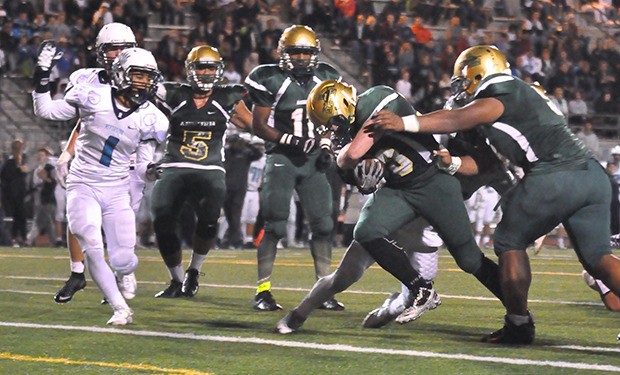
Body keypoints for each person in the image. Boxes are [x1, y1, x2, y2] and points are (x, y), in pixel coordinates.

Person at [366, 45, 620, 345]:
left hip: (555, 173)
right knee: (597, 258)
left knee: (509, 242)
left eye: (463, 80)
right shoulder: (512, 99)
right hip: (591, 175)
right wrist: (454, 163)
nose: (461, 88)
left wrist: (404, 122)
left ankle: (519, 324)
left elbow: (459, 118)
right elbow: (486, 164)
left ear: (478, 73)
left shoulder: (502, 90)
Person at [276, 79, 504, 332]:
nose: (332, 131)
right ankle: (298, 315)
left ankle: (517, 310)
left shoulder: (377, 97)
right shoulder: (350, 134)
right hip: (398, 191)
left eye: (333, 122)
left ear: (344, 105)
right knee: (360, 240)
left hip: (434, 182)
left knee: (470, 260)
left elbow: (350, 156)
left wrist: (347, 159)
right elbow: (359, 176)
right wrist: (364, 176)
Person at [33, 44, 168, 325]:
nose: (142, 83)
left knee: (123, 260)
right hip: (83, 184)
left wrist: (153, 170)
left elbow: (142, 166)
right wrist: (42, 72)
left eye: (147, 77)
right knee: (92, 243)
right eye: (137, 75)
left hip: (118, 190)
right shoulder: (92, 95)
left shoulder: (152, 117)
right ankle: (121, 309)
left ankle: (125, 275)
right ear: (120, 73)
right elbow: (45, 109)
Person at [243, 25, 345, 311]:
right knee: (275, 224)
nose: (301, 57)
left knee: (324, 225)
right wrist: (291, 140)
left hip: (312, 160)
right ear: (282, 52)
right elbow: (259, 125)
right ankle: (263, 291)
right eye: (295, 51)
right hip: (282, 157)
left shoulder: (326, 77)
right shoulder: (270, 78)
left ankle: (323, 289)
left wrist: (326, 145)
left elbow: (333, 119)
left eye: (306, 51)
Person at [151, 45, 252, 299]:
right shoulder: (171, 93)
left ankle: (194, 272)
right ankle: (176, 279)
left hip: (210, 167)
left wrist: (284, 137)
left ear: (218, 70)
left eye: (210, 67)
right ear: (190, 69)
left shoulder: (228, 97)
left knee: (209, 218)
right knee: (162, 220)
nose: (206, 73)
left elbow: (254, 124)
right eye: (201, 67)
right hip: (174, 165)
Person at [50, 22, 138, 304]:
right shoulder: (88, 80)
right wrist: (68, 151)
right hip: (92, 155)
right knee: (77, 215)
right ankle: (78, 272)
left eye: (125, 48)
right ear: (101, 52)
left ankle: (123, 273)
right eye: (113, 48)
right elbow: (86, 120)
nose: (120, 54)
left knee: (118, 222)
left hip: (126, 158)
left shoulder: (142, 78)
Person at [25, 147, 57, 247]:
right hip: (39, 200)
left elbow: (52, 182)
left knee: (39, 221)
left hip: (47, 199)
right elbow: (34, 184)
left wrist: (43, 178)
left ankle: (29, 240)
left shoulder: (49, 167)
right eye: (39, 155)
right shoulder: (38, 169)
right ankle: (54, 242)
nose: (40, 157)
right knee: (47, 222)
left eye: (42, 155)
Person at [0, 139, 28, 247]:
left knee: (19, 216)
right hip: (12, 195)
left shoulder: (19, 162)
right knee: (15, 217)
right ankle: (13, 239)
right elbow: (5, 180)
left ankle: (16, 238)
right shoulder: (10, 163)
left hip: (17, 194)